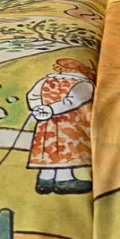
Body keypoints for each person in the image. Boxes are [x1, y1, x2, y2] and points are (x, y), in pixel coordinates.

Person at [24, 58, 95, 194]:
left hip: (47, 123)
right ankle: (64, 180)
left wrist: (39, 108)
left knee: (48, 149)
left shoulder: (45, 81)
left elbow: (32, 95)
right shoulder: (82, 84)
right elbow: (72, 101)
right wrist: (52, 109)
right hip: (69, 124)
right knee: (66, 150)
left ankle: (44, 180)